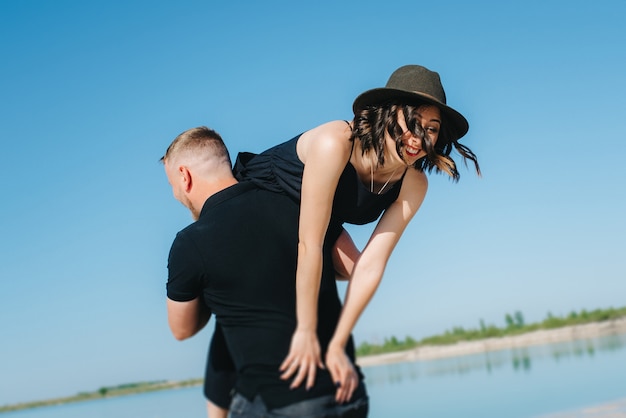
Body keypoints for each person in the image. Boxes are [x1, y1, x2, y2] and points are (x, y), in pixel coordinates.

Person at [233, 64, 481, 389]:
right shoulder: (336, 141)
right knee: (300, 271)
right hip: (262, 199)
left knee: (352, 269)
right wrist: (306, 331)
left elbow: (371, 266)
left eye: (431, 128)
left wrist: (336, 344)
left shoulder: (413, 183)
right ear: (387, 115)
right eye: (412, 122)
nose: (419, 138)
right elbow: (310, 243)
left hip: (316, 218)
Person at [162, 126, 369, 418]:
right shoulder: (293, 195)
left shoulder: (189, 243)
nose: (176, 194)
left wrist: (215, 289)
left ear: (184, 176)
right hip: (347, 394)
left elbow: (182, 329)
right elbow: (351, 266)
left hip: (281, 404)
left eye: (172, 185)